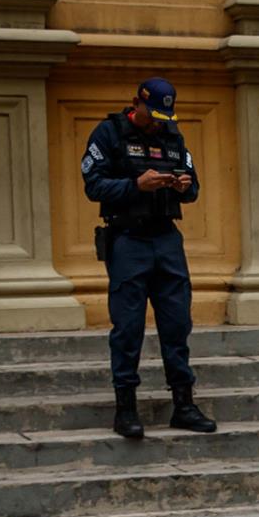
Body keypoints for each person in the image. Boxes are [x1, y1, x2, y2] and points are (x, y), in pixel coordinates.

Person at [82, 77, 217, 440]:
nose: (158, 122)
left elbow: (194, 185)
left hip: (166, 238)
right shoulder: (109, 133)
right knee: (128, 326)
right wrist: (134, 186)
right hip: (128, 238)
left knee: (177, 323)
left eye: (164, 115)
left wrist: (184, 186)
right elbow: (92, 184)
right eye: (153, 114)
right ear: (137, 103)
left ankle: (184, 404)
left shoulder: (173, 135)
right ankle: (126, 408)